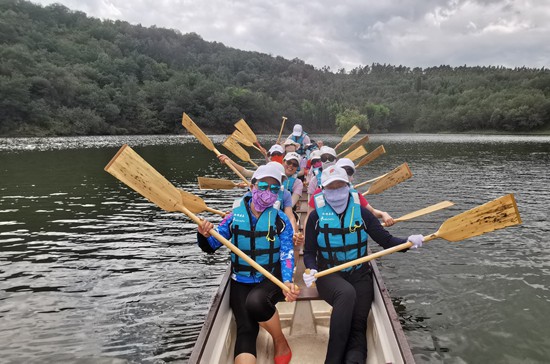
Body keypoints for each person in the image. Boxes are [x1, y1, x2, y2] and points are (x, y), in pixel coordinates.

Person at [302, 166, 423, 364]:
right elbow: (308, 253)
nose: (336, 191)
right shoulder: (316, 217)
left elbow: (387, 242)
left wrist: (409, 242)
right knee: (346, 293)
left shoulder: (361, 213)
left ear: (349, 187)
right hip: (329, 275)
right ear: (323, 190)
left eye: (340, 186)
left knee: (358, 325)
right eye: (331, 188)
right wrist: (311, 269)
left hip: (359, 274)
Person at [197, 164, 299, 364]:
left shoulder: (281, 220)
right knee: (246, 328)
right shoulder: (234, 217)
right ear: (252, 187)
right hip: (240, 280)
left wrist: (286, 281)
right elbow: (210, 247)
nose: (268, 192)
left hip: (271, 277)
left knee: (256, 302)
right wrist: (203, 234)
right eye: (263, 186)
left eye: (274, 188)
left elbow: (287, 253)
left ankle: (279, 341)